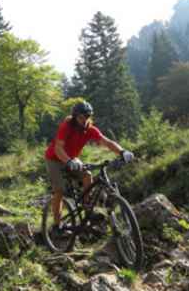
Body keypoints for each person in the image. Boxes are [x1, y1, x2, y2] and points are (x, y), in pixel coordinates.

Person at [44, 101, 134, 235]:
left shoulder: (90, 129)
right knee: (60, 190)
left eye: (87, 116)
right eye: (81, 117)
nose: (84, 119)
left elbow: (107, 142)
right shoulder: (67, 126)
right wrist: (69, 161)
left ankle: (87, 209)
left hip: (71, 159)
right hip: (55, 159)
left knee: (88, 175)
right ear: (75, 116)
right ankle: (57, 226)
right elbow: (58, 148)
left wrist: (122, 152)